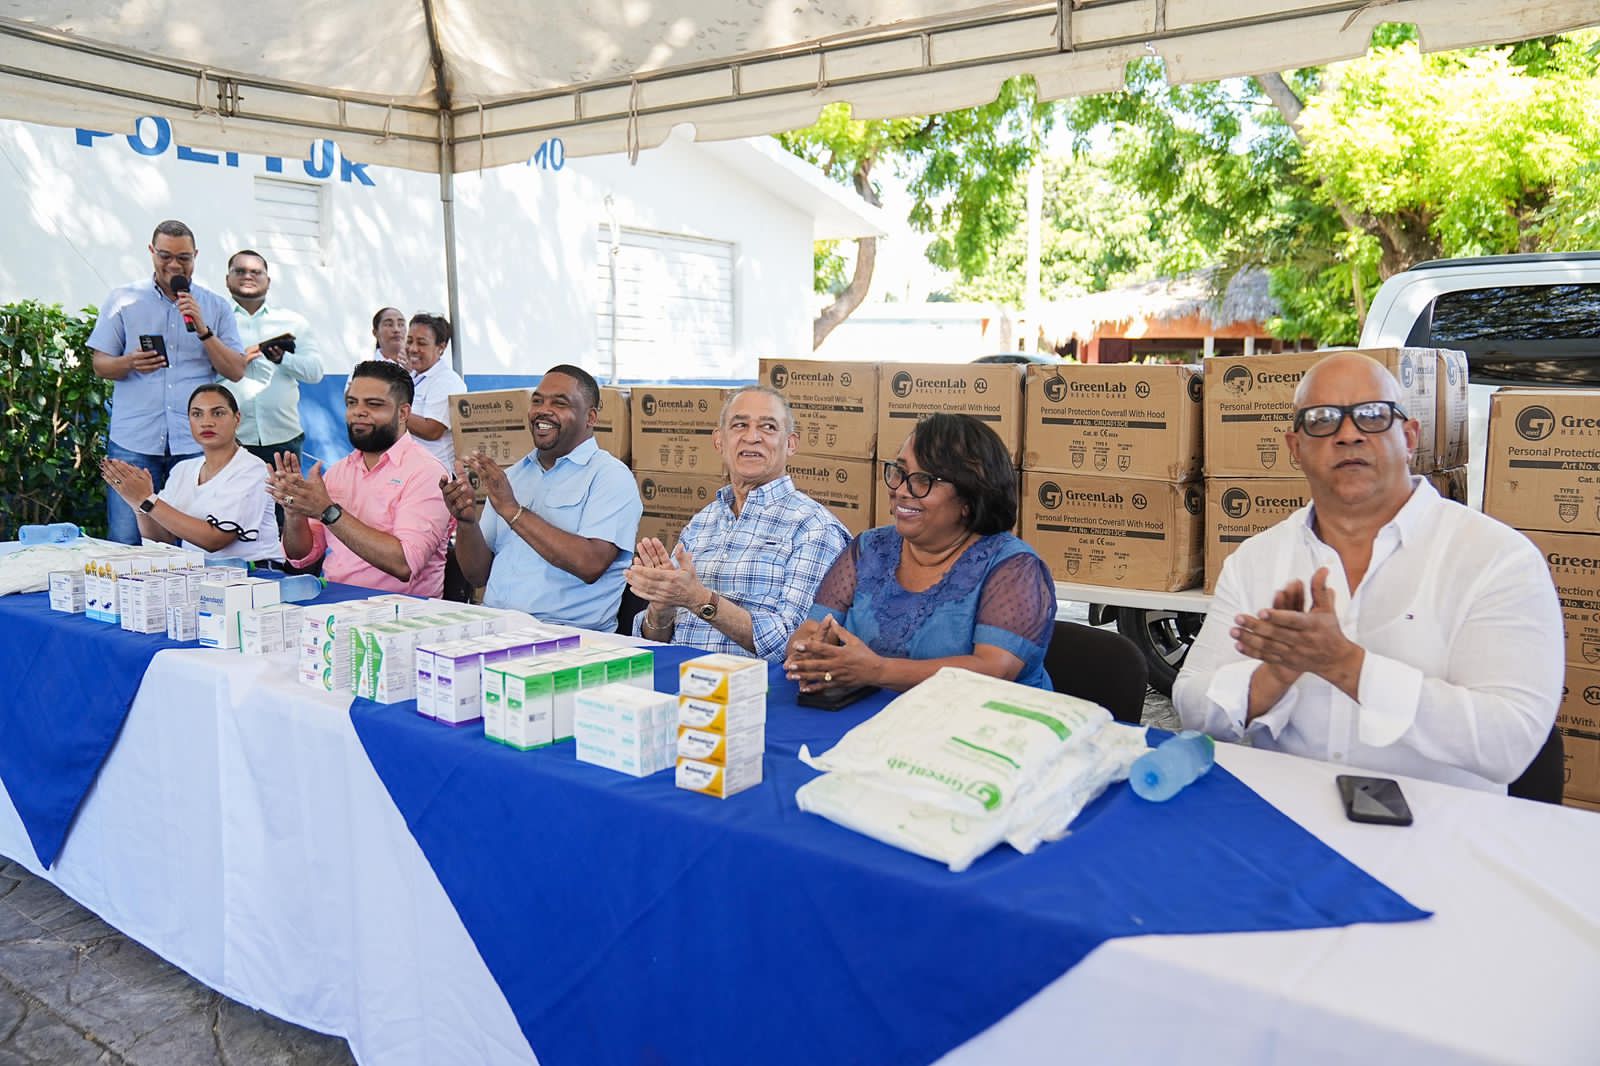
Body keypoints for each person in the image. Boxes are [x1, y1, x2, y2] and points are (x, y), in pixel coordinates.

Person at [1173, 351, 1563, 792]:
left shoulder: (1497, 558)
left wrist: (1347, 666)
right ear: (1295, 448)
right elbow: (1190, 703)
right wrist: (1272, 678)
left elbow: (1510, 742)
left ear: (1410, 437)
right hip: (1289, 820)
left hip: (1439, 835)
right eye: (1322, 419)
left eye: (1372, 415)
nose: (1348, 435)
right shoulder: (1255, 560)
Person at [784, 413, 1056, 692]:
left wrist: (879, 671)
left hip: (987, 724)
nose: (901, 490)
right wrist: (808, 651)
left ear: (970, 497)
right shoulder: (869, 548)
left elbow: (994, 669)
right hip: (874, 718)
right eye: (899, 473)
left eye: (924, 479)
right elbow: (814, 628)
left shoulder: (1014, 567)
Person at [626, 386, 849, 661]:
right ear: (719, 441)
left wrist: (699, 599)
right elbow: (653, 640)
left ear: (790, 444)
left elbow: (795, 643)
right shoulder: (702, 522)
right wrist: (662, 606)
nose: (752, 437)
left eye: (768, 427)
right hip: (677, 677)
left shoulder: (815, 528)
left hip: (753, 691)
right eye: (739, 425)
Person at [440, 364, 641, 630]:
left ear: (590, 417)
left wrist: (513, 511)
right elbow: (477, 575)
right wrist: (466, 522)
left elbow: (590, 564)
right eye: (537, 401)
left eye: (560, 403)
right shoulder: (512, 476)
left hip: (565, 637)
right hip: (493, 626)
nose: (543, 410)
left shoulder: (611, 477)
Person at [89, 219, 249, 544]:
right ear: (151, 252)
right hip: (134, 441)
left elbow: (235, 370)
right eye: (165, 256)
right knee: (127, 541)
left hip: (194, 445)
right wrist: (129, 362)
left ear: (196, 256)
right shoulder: (122, 299)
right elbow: (100, 365)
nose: (174, 265)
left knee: (191, 544)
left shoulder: (215, 306)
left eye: (184, 258)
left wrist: (203, 329)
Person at [266, 360, 452, 596]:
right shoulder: (339, 471)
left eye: (373, 404)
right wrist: (294, 513)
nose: (358, 412)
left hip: (401, 618)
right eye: (352, 403)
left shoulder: (427, 473)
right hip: (334, 607)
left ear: (403, 412)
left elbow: (404, 563)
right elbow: (300, 557)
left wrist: (328, 512)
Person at [99, 384, 282, 562]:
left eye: (218, 413)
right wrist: (138, 505)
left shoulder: (252, 469)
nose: (207, 422)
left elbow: (214, 540)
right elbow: (162, 538)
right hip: (200, 576)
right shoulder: (182, 470)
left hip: (256, 577)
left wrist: (148, 500)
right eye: (197, 414)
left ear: (237, 418)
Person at [220, 249, 325, 468]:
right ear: (227, 279)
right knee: (230, 502)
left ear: (267, 281)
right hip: (231, 438)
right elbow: (198, 372)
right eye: (239, 271)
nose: (248, 276)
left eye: (255, 272)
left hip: (283, 437)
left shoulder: (293, 322)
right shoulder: (214, 322)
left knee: (285, 502)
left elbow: (315, 372)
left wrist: (283, 359)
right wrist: (235, 362)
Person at [405, 312, 468, 471]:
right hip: (409, 470)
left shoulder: (446, 381)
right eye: (410, 341)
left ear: (441, 347)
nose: (413, 348)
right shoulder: (412, 377)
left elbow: (432, 430)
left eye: (422, 343)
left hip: (433, 474)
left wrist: (393, 412)